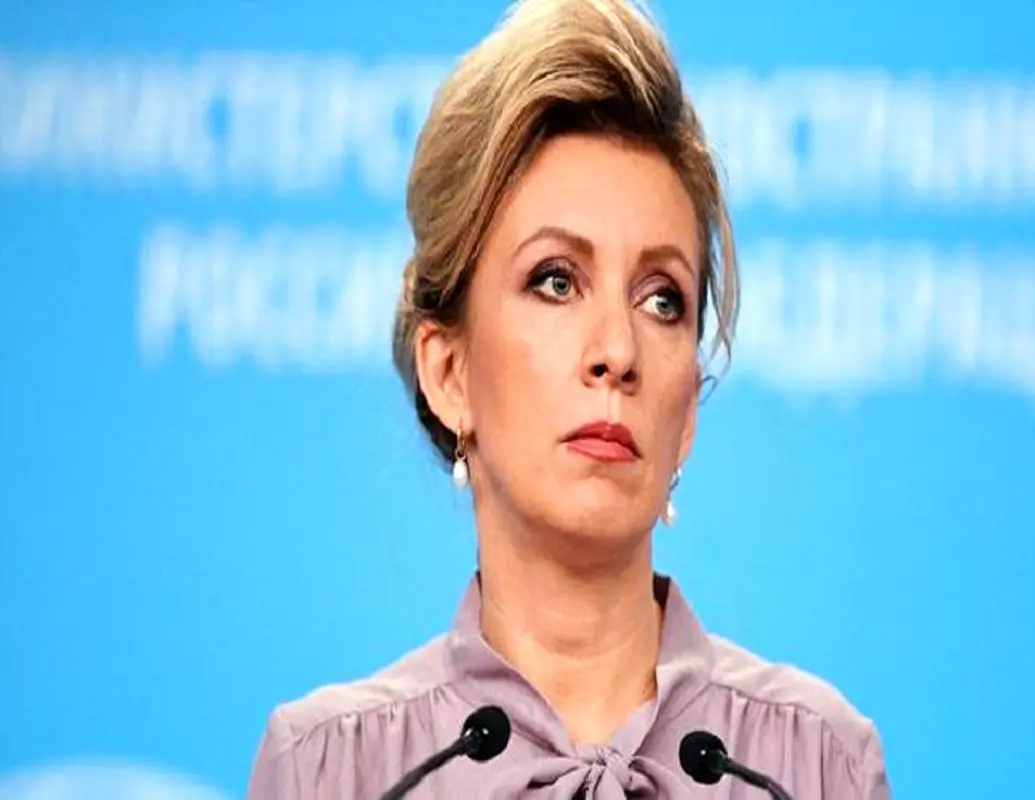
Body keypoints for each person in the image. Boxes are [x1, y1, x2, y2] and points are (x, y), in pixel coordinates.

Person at [247, 0, 891, 797]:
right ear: (448, 372)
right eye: (556, 281)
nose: (618, 351)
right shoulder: (335, 770)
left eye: (662, 299)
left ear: (688, 414)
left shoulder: (811, 764)